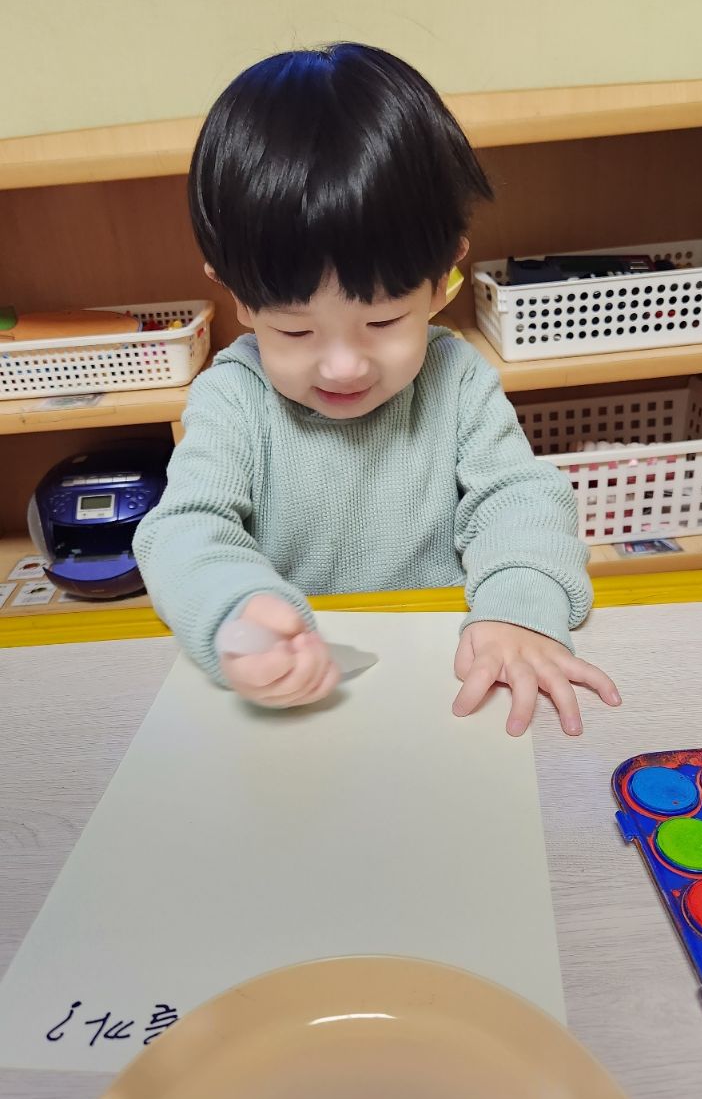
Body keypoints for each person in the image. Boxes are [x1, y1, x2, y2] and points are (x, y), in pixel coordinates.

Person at [134, 43, 620, 735]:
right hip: (301, 702)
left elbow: (520, 500)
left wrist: (518, 608)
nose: (343, 367)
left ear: (443, 277)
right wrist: (237, 614)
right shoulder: (233, 398)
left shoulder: (456, 379)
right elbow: (184, 532)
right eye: (296, 331)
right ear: (237, 296)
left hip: (447, 684)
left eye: (384, 321)